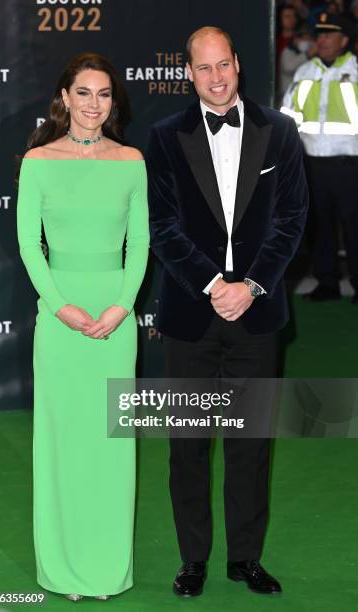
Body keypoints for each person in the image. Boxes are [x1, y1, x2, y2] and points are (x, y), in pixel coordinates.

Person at [146, 26, 308, 598]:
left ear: (238, 63)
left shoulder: (280, 132)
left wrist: (254, 285)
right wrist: (215, 284)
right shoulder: (165, 137)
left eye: (225, 65)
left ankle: (246, 558)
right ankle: (193, 560)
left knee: (251, 444)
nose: (217, 78)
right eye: (204, 68)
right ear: (188, 73)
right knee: (186, 446)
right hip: (193, 312)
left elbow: (291, 221)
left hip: (257, 315)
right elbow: (161, 227)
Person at [17, 53, 149, 600]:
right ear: (64, 98)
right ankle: (64, 569)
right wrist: (59, 305)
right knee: (63, 443)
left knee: (109, 446)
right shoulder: (38, 160)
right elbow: (29, 244)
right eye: (84, 93)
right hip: (60, 317)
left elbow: (139, 242)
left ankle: (106, 568)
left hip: (116, 319)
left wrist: (122, 306)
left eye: (104, 94)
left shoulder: (132, 159)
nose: (95, 104)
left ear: (113, 102)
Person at [281, 13, 358, 302]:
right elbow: (288, 117)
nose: (322, 40)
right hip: (312, 163)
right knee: (319, 226)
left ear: (345, 40)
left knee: (355, 228)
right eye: (320, 34)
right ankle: (327, 282)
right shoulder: (304, 72)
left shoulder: (356, 70)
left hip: (350, 164)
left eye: (329, 34)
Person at [277, 23, 317, 105]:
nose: (306, 41)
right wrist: (308, 54)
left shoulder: (315, 57)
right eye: (303, 38)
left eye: (309, 38)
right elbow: (288, 67)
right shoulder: (288, 51)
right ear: (295, 39)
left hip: (308, 98)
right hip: (288, 98)